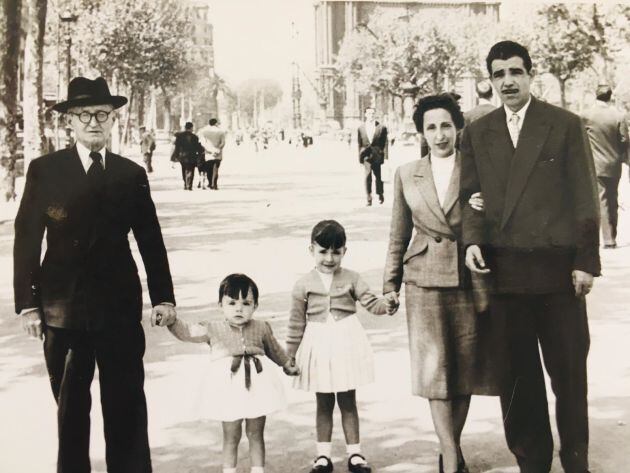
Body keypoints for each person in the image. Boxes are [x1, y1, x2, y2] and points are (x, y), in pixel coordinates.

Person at [13, 76, 177, 473]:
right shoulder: (45, 171)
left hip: (119, 311)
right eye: (83, 114)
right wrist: (28, 305)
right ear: (69, 121)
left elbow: (151, 241)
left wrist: (164, 298)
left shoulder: (130, 173)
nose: (93, 122)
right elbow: (26, 240)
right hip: (62, 313)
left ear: (112, 119)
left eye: (102, 114)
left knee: (127, 409)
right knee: (71, 413)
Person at [460, 41, 600, 473]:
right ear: (490, 80)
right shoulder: (477, 132)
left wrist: (585, 261)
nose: (507, 81)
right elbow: (469, 196)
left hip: (558, 275)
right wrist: (472, 242)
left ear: (530, 75)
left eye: (515, 72)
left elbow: (585, 197)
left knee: (569, 376)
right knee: (518, 381)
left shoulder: (563, 124)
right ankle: (531, 462)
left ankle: (576, 460)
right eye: (498, 74)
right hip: (507, 275)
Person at [383, 94, 499, 473]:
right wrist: (390, 284)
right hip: (424, 281)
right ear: (421, 132)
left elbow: (496, 221)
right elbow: (398, 234)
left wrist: (487, 207)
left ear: (458, 128)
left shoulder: (478, 169)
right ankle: (450, 456)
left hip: (469, 276)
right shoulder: (406, 173)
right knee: (434, 373)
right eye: (430, 127)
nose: (439, 134)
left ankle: (453, 448)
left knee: (464, 370)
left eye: (446, 125)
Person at [154, 273, 299, 473]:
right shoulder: (213, 328)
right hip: (228, 388)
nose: (239, 308)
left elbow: (274, 350)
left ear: (255, 306)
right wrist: (171, 321)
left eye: (246, 303)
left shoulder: (262, 327)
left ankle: (258, 470)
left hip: (258, 387)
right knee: (231, 435)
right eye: (232, 303)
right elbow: (187, 332)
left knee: (256, 433)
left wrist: (287, 364)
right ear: (220, 305)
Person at [286, 220, 395, 473]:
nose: (329, 258)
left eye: (336, 251)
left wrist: (387, 304)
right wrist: (289, 356)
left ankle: (355, 454)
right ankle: (323, 456)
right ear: (311, 249)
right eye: (323, 251)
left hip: (346, 342)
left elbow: (373, 304)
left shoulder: (353, 278)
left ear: (345, 251)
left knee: (348, 400)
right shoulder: (303, 284)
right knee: (323, 401)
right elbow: (295, 324)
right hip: (318, 344)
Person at [581, 84, 629, 249]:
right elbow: (624, 141)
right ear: (610, 97)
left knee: (601, 200)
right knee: (613, 198)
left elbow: (581, 140)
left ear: (596, 95)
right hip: (614, 165)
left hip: (595, 164)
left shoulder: (586, 115)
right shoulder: (619, 115)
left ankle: (607, 239)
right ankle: (611, 236)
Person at [357, 107, 388, 206]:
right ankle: (369, 197)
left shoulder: (381, 127)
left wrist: (385, 156)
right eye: (369, 113)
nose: (371, 115)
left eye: (373, 113)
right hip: (366, 155)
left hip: (377, 155)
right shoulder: (361, 128)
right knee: (367, 176)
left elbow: (385, 143)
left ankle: (380, 194)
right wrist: (360, 158)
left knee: (378, 177)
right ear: (365, 114)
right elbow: (359, 143)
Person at [172, 121, 202, 190]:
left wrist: (176, 156)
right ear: (191, 128)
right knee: (191, 170)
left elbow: (177, 147)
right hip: (192, 156)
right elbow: (198, 147)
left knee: (184, 169)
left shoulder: (179, 136)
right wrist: (200, 154)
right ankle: (189, 185)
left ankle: (186, 183)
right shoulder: (195, 137)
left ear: (185, 127)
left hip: (182, 156)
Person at [198, 118, 226, 190]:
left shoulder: (204, 132)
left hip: (208, 154)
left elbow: (203, 143)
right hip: (217, 153)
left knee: (209, 170)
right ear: (216, 123)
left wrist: (209, 151)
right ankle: (214, 184)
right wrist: (217, 149)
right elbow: (223, 143)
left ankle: (210, 183)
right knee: (215, 169)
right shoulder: (221, 132)